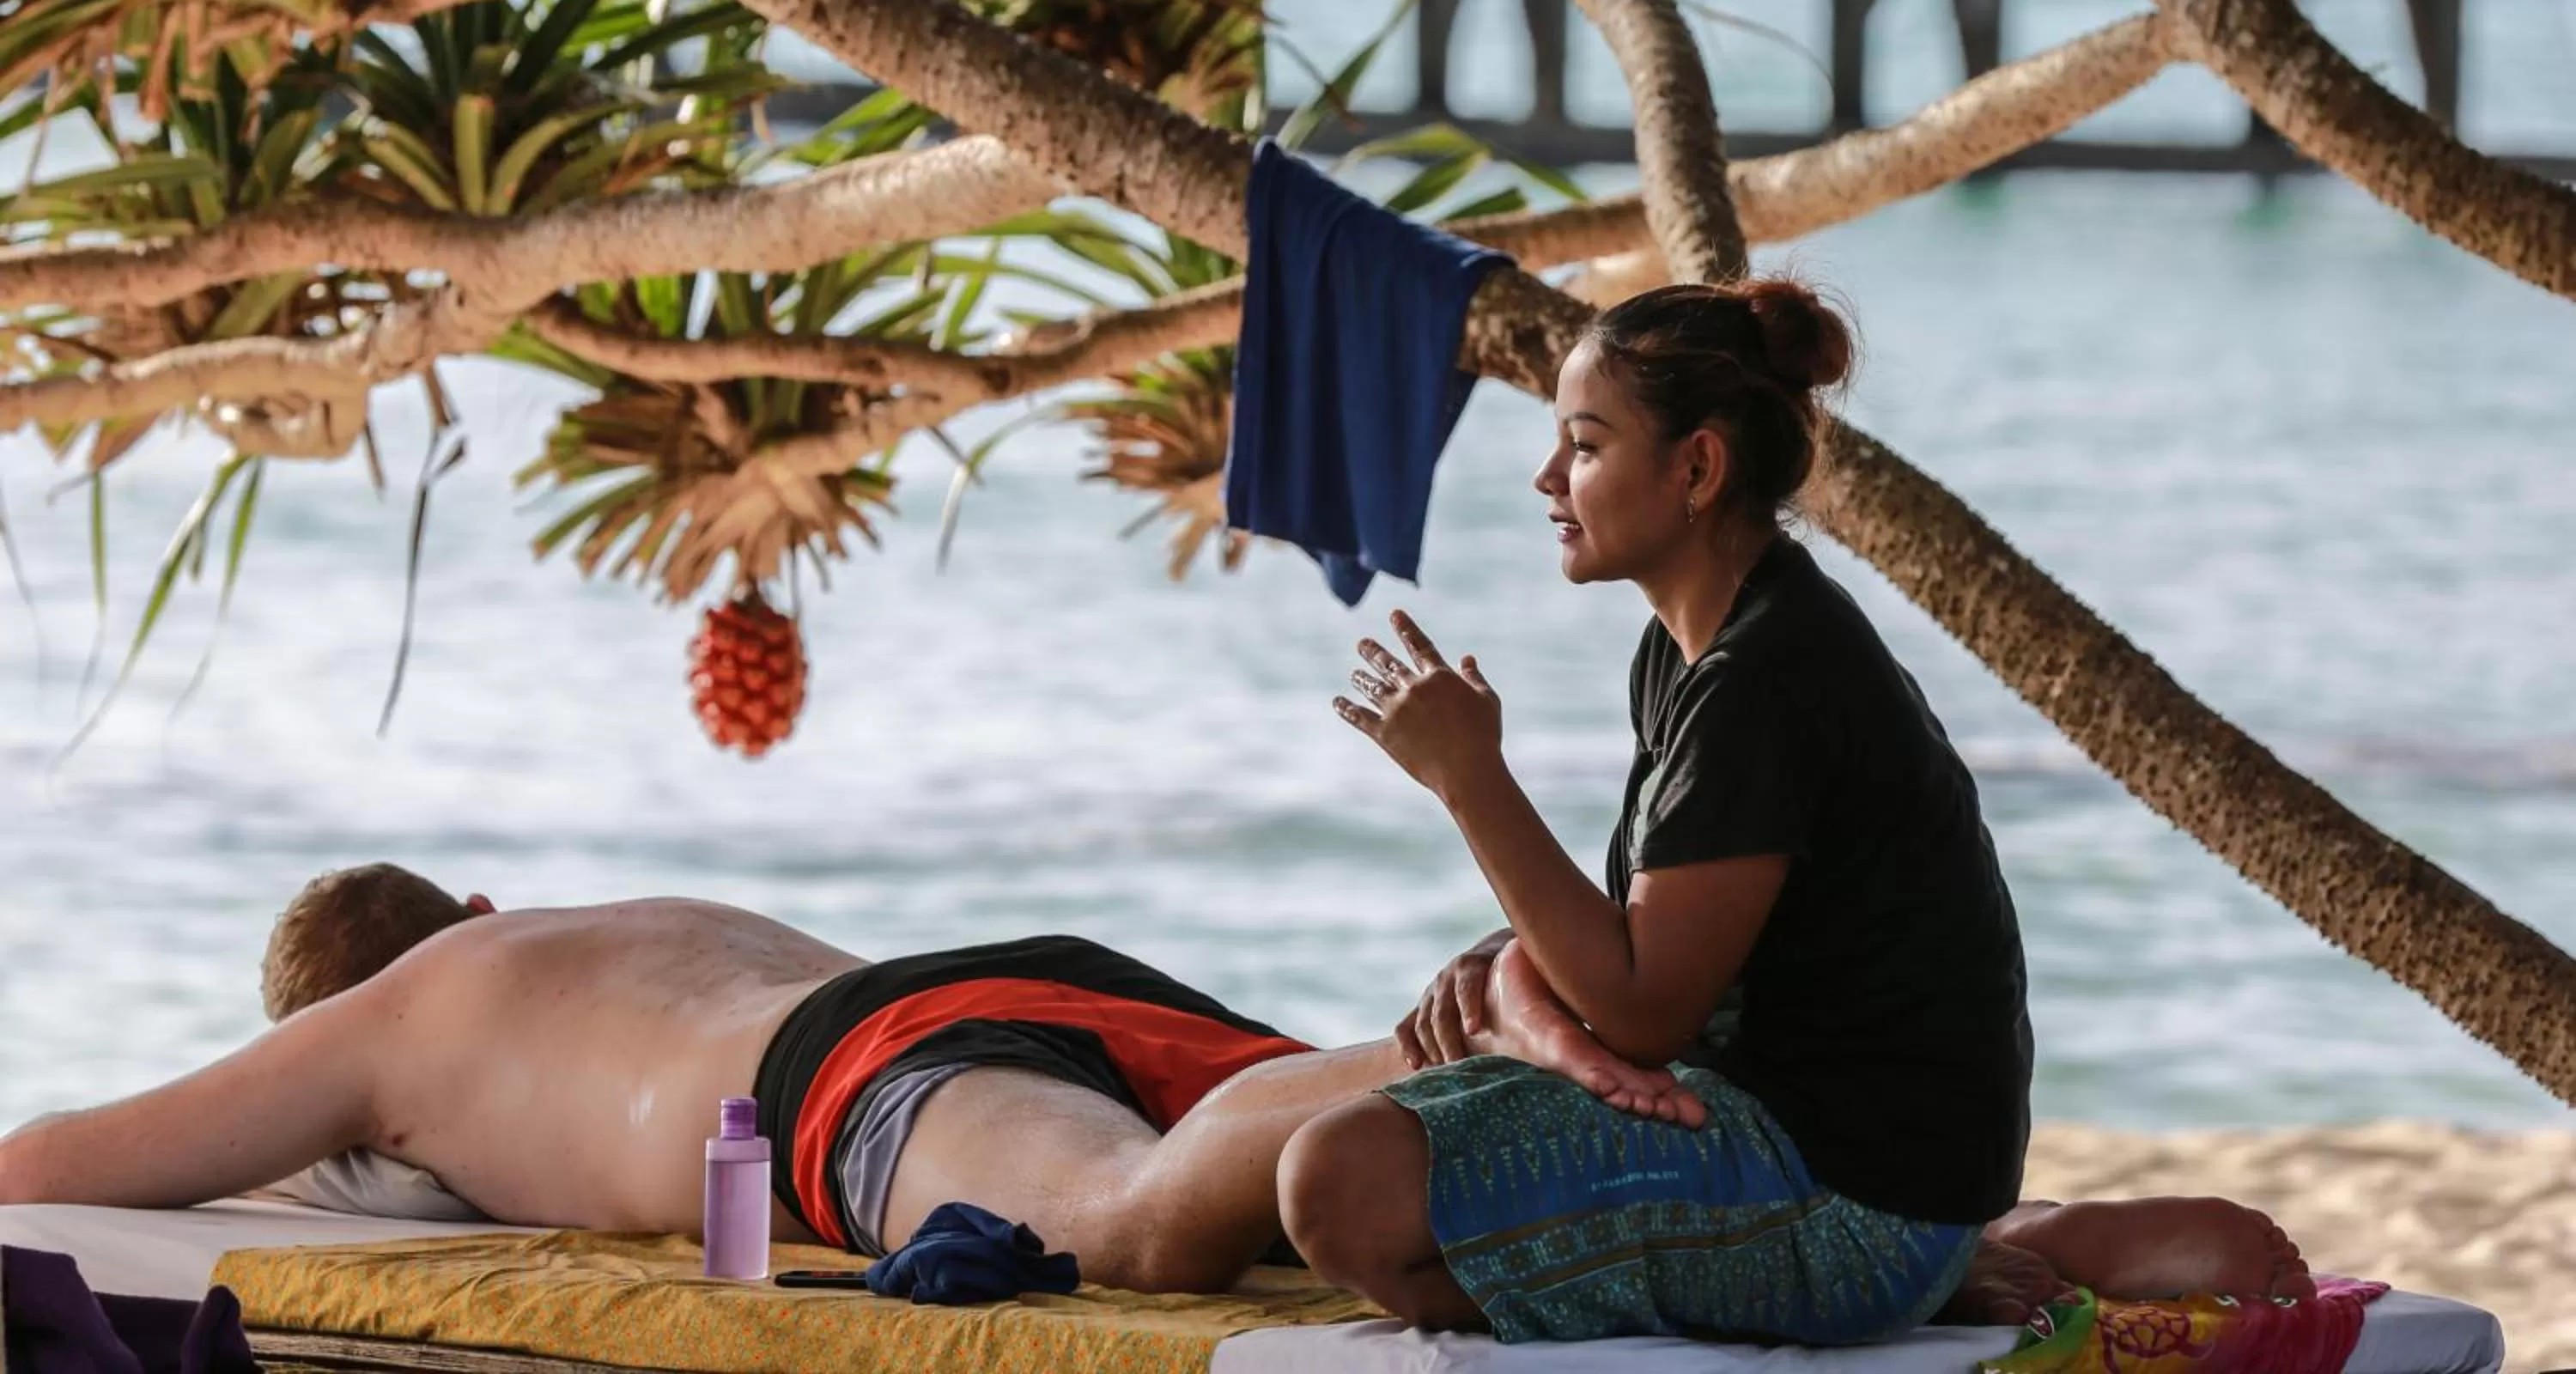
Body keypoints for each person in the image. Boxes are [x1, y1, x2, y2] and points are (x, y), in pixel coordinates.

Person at [1277, 280, 2318, 1345]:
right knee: (1389, 1144)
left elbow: (1642, 1008)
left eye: (1585, 445)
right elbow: (1672, 933)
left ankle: (1955, 1261)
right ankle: (1969, 1254)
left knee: (1335, 1182)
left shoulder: (1763, 678)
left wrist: (1470, 778)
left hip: (1846, 1201)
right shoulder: (1706, 645)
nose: (1548, 477)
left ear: (1696, 466)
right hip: (1807, 1148)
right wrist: (1511, 954)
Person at [2, 858, 2298, 1322]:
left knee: (1137, 1223)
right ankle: (1526, 1035)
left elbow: (58, 1167)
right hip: (1002, 973)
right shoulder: (580, 916)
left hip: (873, 1086)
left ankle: (1985, 1254)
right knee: (1284, 1117)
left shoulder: (388, 1037)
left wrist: (334, 1111)